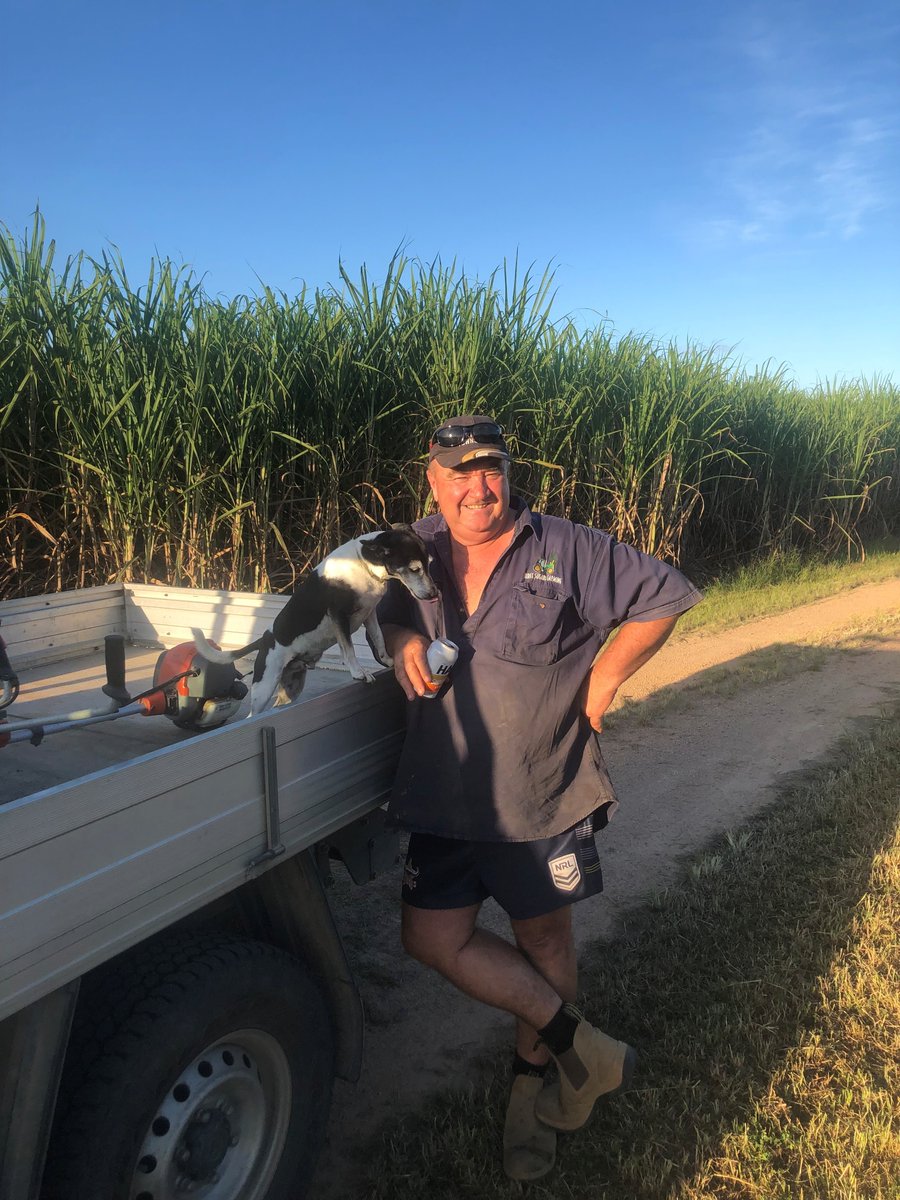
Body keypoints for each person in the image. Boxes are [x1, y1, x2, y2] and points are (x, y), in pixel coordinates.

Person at [377, 414, 702, 1181]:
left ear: (509, 472)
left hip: (539, 793)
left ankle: (532, 1094)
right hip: (445, 790)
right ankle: (581, 1049)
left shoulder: (566, 547)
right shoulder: (411, 549)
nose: (474, 487)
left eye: (488, 469)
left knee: (545, 944)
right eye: (457, 471)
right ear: (433, 479)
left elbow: (665, 595)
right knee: (430, 940)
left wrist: (607, 676)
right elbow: (390, 615)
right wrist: (405, 645)